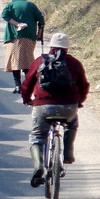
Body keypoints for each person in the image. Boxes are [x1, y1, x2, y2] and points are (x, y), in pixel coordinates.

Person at [20, 33, 90, 187]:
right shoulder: (74, 63)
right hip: (68, 106)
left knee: (37, 136)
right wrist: (78, 102)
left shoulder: (40, 61)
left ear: (51, 46)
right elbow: (84, 85)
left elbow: (27, 83)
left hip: (42, 106)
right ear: (67, 47)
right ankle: (67, 155)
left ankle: (38, 165)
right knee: (71, 125)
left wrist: (27, 99)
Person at [1, 0, 44, 93]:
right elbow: (41, 20)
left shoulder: (10, 5)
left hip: (13, 37)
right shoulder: (31, 5)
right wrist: (40, 33)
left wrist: (16, 24)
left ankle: (18, 86)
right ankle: (29, 86)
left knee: (15, 61)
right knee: (27, 61)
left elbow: (4, 15)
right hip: (29, 37)